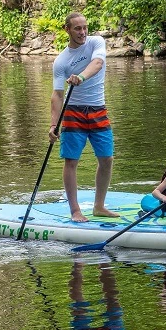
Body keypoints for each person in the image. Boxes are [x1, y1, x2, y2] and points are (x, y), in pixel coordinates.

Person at [49, 12, 120, 222]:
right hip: (73, 113)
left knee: (107, 159)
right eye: (77, 29)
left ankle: (99, 206)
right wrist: (53, 124)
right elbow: (57, 94)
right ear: (67, 30)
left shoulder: (96, 42)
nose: (83, 32)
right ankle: (75, 211)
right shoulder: (61, 61)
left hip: (98, 109)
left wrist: (80, 77)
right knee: (71, 161)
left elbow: (97, 64)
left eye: (85, 28)